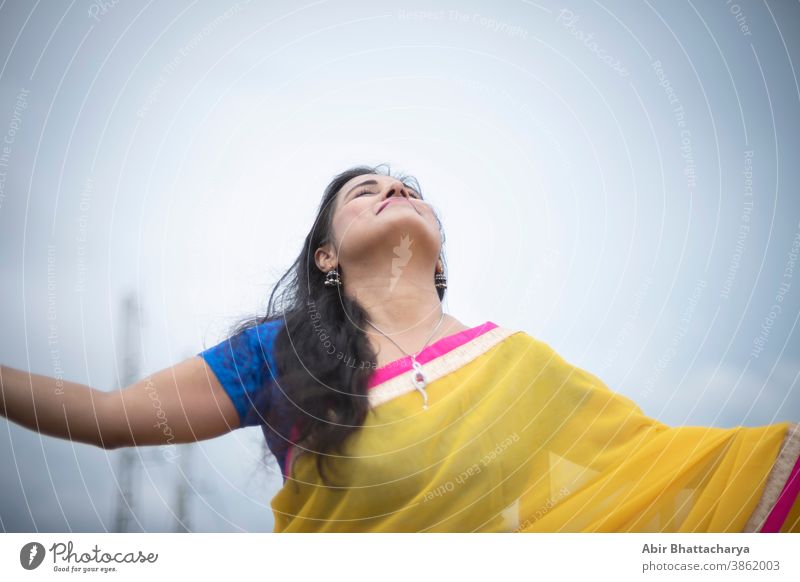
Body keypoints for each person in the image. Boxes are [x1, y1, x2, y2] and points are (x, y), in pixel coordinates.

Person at [1, 164, 798, 533]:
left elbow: (651, 478)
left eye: (411, 188)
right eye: (364, 190)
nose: (396, 189)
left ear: (439, 253)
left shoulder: (522, 367)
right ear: (326, 256)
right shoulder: (283, 357)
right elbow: (107, 419)